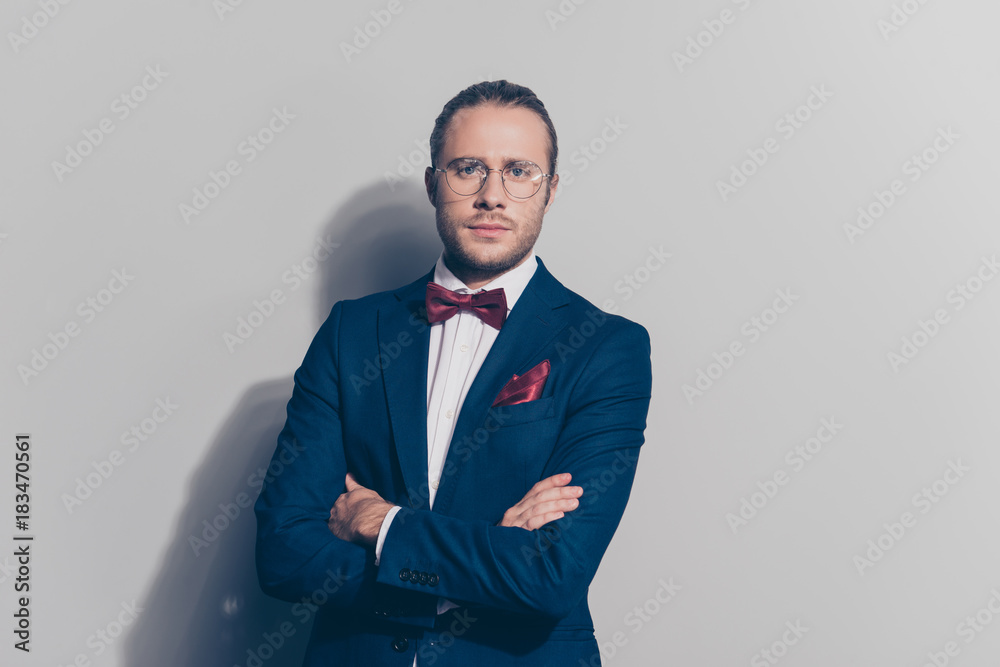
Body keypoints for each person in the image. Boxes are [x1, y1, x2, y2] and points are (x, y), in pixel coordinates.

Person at [254, 80, 652, 665]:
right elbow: (284, 553)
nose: (493, 195)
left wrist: (382, 524)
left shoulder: (608, 348)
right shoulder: (351, 332)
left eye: (519, 171)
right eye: (468, 168)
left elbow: (549, 575)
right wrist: (484, 558)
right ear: (433, 183)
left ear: (551, 189)